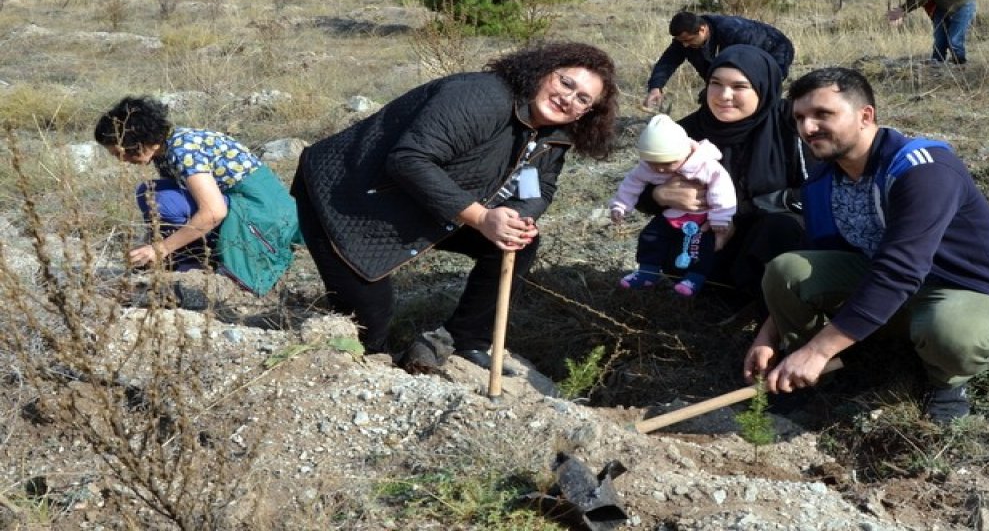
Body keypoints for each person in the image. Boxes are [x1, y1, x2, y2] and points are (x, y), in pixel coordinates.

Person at [292, 42, 619, 371]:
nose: (568, 98)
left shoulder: (553, 136)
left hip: (427, 201)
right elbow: (409, 159)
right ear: (542, 72)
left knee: (518, 244)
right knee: (369, 325)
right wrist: (481, 216)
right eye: (566, 83)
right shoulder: (484, 97)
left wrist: (518, 216)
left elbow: (537, 184)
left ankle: (462, 340)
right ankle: (375, 371)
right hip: (347, 198)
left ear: (587, 113)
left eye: (582, 99)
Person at [743, 67, 989, 423]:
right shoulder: (823, 177)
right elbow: (821, 252)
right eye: (799, 117)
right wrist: (770, 334)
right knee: (786, 268)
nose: (807, 128)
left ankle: (946, 382)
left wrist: (819, 347)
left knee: (952, 332)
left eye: (823, 114)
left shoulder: (923, 170)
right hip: (880, 282)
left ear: (866, 116)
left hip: (955, 287)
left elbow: (901, 270)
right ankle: (808, 371)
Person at [635, 44, 810, 322]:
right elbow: (640, 185)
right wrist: (660, 194)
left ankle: (771, 310)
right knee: (668, 237)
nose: (724, 96)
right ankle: (715, 295)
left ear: (763, 88)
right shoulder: (685, 132)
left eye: (740, 86)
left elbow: (814, 192)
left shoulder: (791, 125)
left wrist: (735, 215)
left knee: (781, 228)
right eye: (716, 83)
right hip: (709, 238)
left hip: (766, 236)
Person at [94, 96, 300, 296]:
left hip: (261, 215)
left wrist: (161, 248)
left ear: (137, 141)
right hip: (242, 207)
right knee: (151, 193)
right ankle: (191, 258)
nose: (123, 160)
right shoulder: (167, 149)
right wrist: (148, 245)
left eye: (120, 152)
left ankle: (200, 260)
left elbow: (213, 212)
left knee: (160, 199)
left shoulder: (183, 149)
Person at [610, 114, 736, 297]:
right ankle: (647, 271)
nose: (660, 169)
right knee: (651, 235)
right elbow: (632, 183)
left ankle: (695, 278)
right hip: (672, 215)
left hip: (703, 218)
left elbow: (722, 188)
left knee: (700, 246)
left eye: (668, 163)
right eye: (654, 164)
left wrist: (721, 217)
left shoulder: (704, 164)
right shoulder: (649, 166)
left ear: (684, 152)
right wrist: (620, 205)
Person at [644, 11, 795, 111]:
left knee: (760, 95)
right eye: (681, 41)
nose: (684, 45)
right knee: (713, 96)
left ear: (702, 30)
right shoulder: (685, 39)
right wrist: (655, 87)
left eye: (688, 40)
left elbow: (745, 69)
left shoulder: (733, 31)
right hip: (743, 57)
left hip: (774, 50)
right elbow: (667, 62)